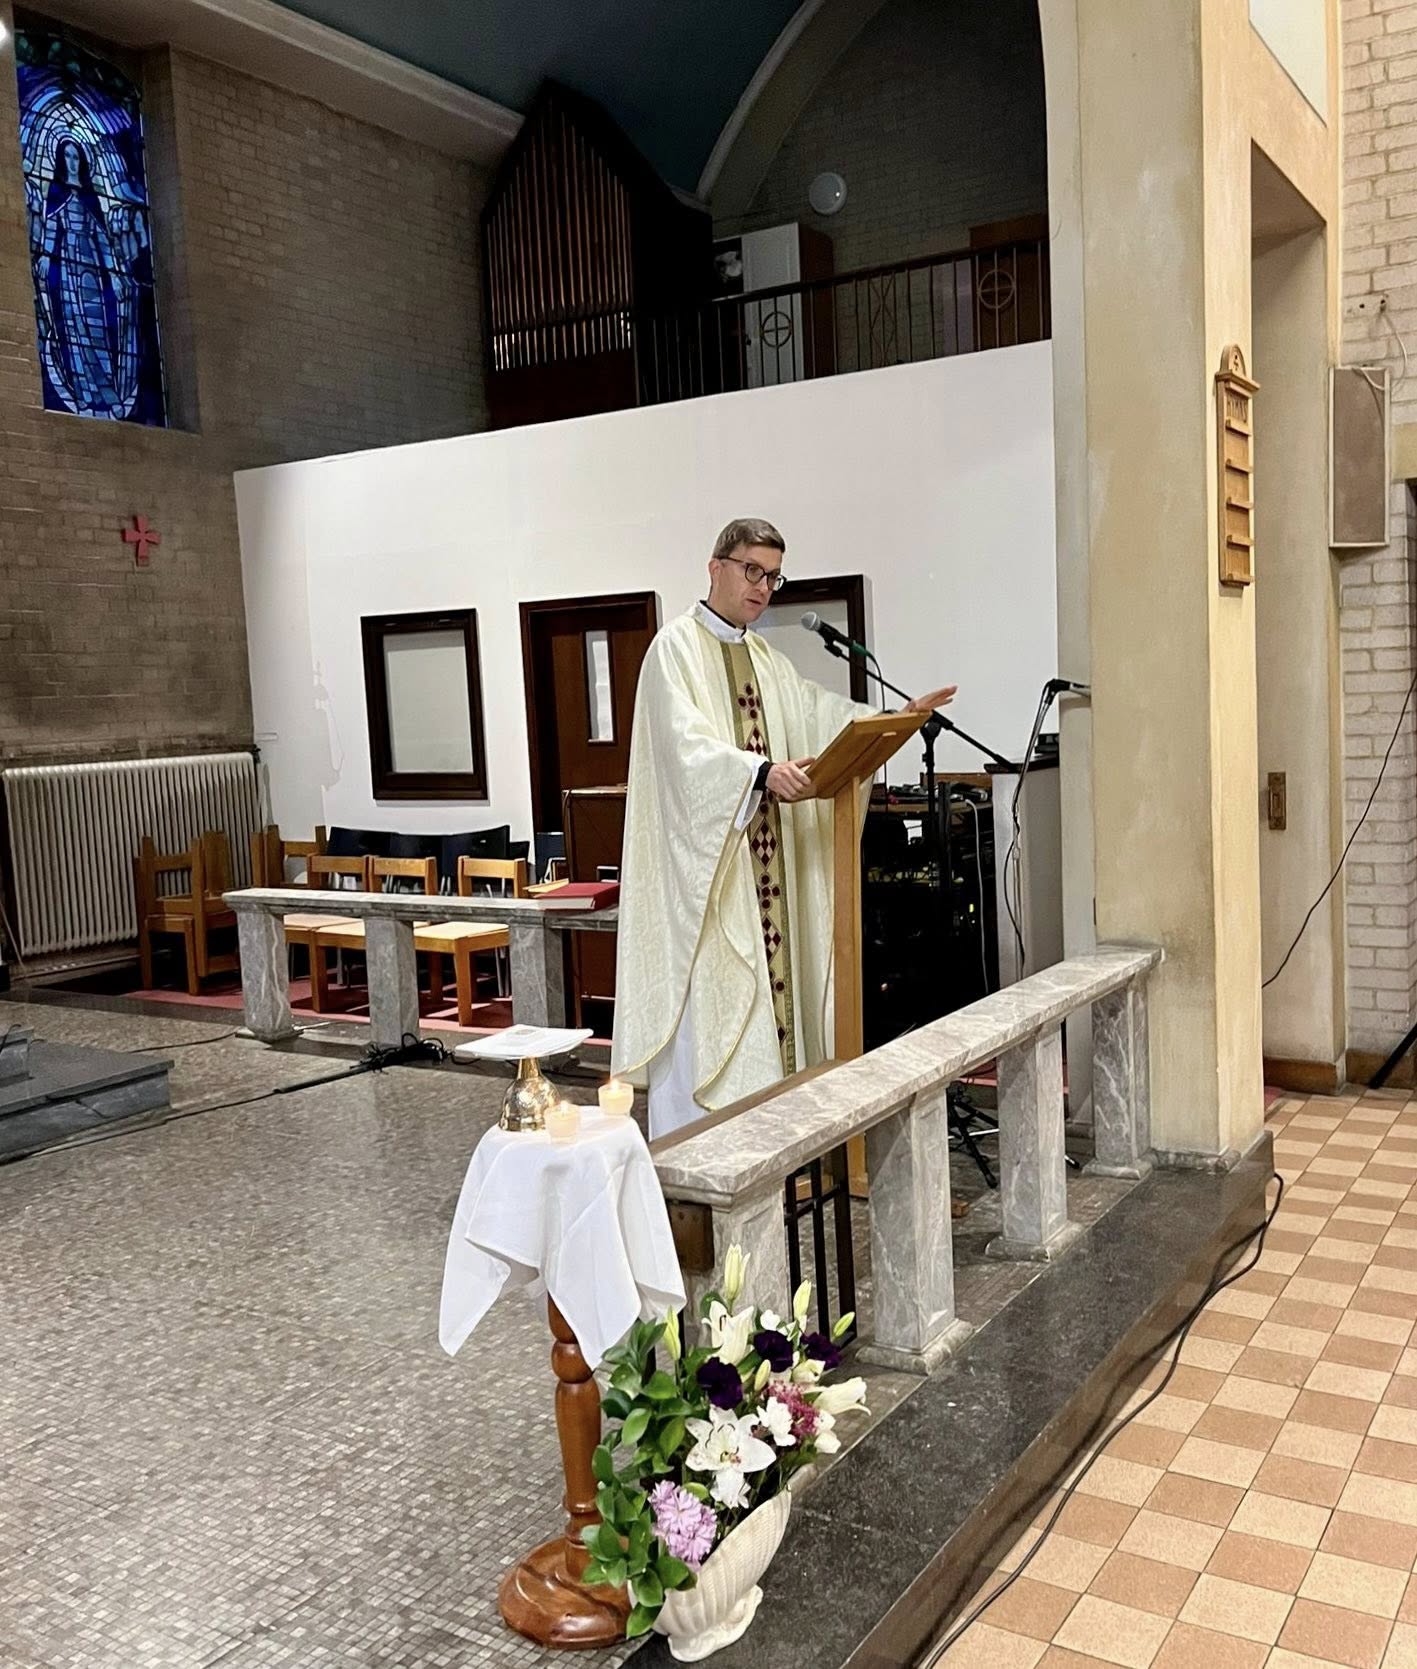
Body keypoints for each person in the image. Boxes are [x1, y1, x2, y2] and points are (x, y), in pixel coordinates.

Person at [611, 518, 956, 1138]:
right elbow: (683, 751)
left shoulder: (766, 660)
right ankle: (703, 1155)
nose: (763, 587)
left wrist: (892, 720)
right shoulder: (674, 650)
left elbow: (819, 715)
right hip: (714, 888)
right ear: (715, 567)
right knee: (715, 1018)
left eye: (773, 576)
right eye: (752, 570)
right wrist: (758, 772)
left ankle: (778, 1148)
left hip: (769, 879)